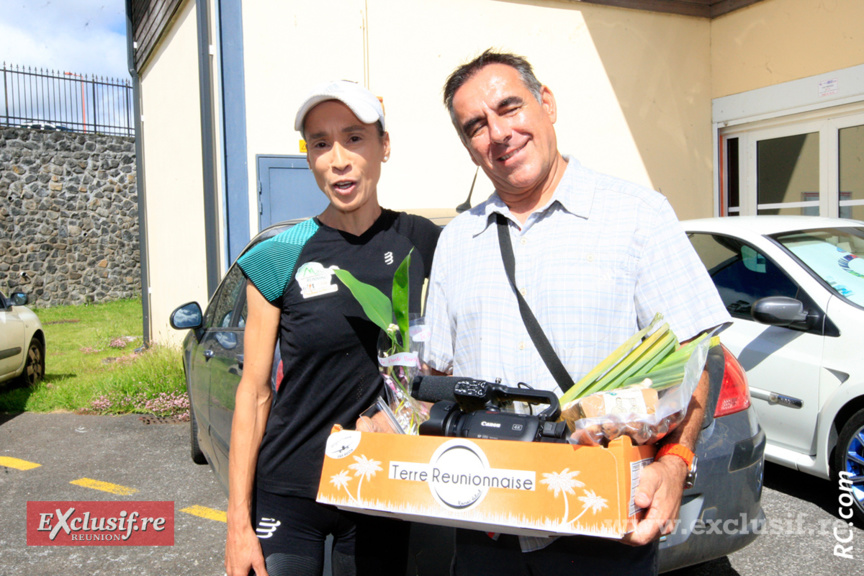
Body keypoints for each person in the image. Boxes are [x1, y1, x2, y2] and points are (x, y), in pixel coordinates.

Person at [423, 50, 731, 575]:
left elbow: (699, 357)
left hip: (602, 525)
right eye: (476, 125)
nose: (498, 133)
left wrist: (677, 463)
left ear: (547, 104)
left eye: (509, 107)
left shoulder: (638, 216)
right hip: (485, 529)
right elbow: (439, 376)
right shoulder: (456, 242)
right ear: (469, 147)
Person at [224, 80, 441, 576]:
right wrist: (238, 525)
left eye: (354, 138)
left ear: (384, 147)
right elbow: (253, 392)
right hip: (289, 485)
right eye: (320, 143)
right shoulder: (278, 255)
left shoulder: (423, 242)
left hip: (379, 481)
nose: (337, 158)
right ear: (309, 159)